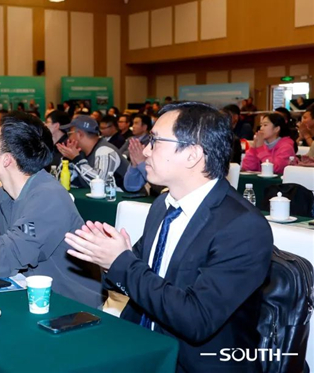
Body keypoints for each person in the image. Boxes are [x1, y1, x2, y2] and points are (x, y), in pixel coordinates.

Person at [65, 101, 273, 373]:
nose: (146, 151)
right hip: (142, 344)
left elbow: (196, 319)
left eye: (155, 141)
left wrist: (121, 262)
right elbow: (136, 279)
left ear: (192, 155)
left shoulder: (242, 227)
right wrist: (108, 260)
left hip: (194, 363)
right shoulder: (164, 205)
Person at [0, 112, 103, 308]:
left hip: (70, 308)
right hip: (31, 298)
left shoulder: (49, 198)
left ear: (7, 160)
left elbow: (2, 264)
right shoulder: (5, 195)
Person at [56, 115, 128, 187]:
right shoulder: (81, 153)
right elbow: (63, 182)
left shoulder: (105, 151)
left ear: (80, 134)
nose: (68, 139)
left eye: (69, 134)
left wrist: (76, 159)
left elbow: (99, 184)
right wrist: (67, 159)